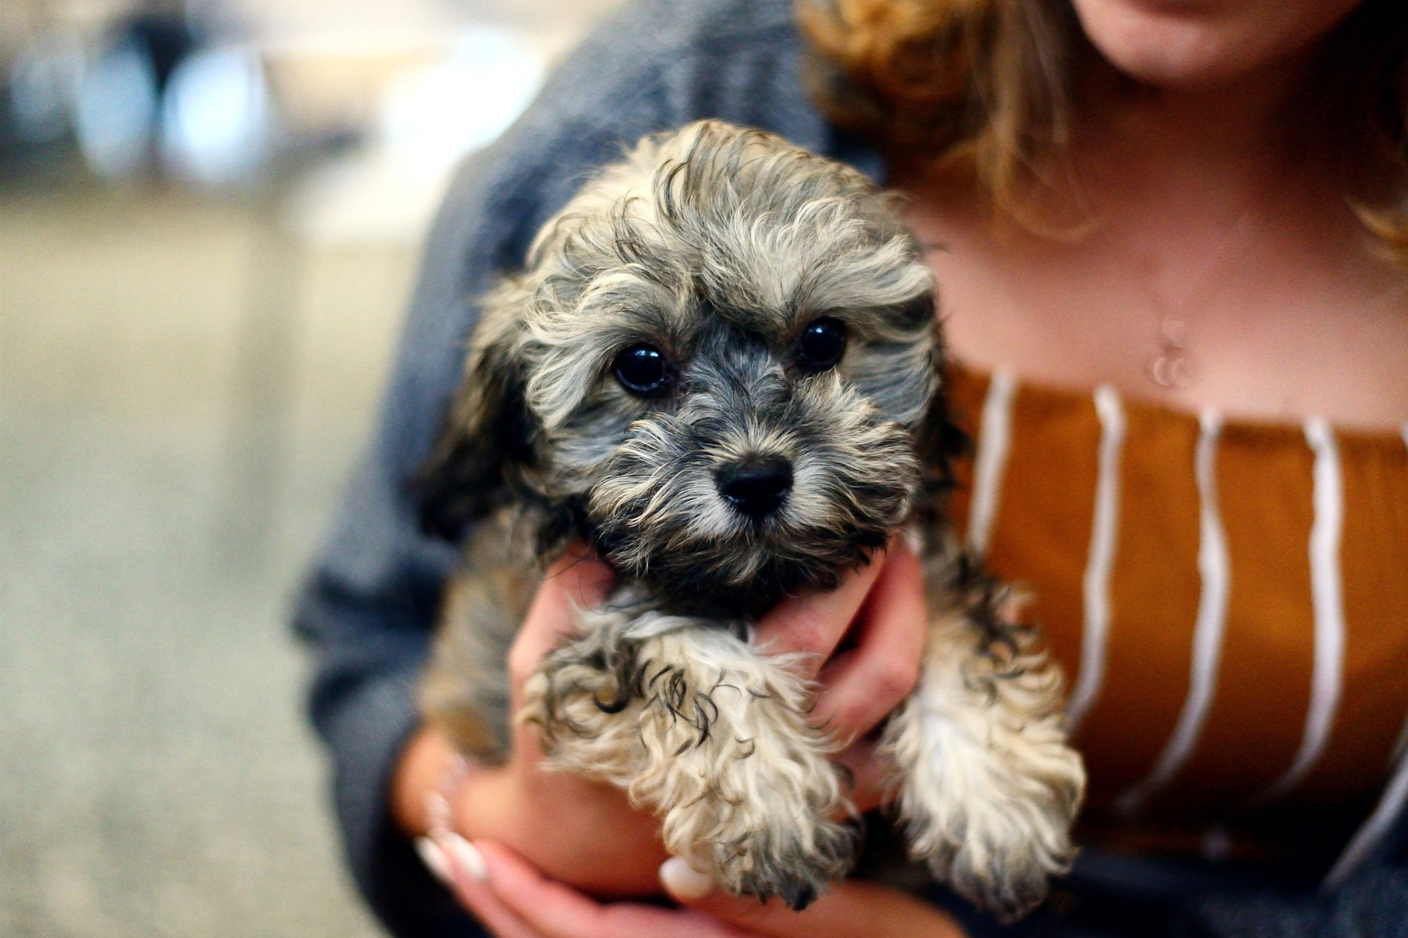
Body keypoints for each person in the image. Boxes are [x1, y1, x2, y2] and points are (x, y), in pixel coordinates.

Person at [294, 0, 1408, 935]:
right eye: (644, 369)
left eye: (817, 347)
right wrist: (487, 814)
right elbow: (370, 635)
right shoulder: (659, 87)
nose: (749, 447)